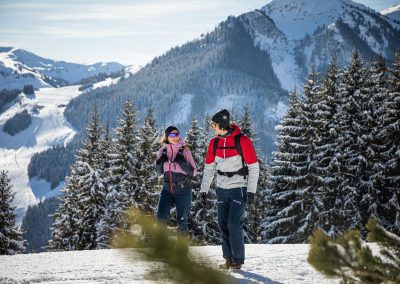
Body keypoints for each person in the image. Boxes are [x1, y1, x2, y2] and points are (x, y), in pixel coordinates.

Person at [199, 109, 259, 270]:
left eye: (214, 124)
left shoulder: (243, 141)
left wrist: (251, 191)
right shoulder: (215, 142)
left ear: (222, 125)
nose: (212, 127)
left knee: (234, 224)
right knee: (222, 223)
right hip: (221, 189)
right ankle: (228, 259)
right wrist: (203, 190)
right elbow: (209, 168)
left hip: (238, 188)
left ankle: (237, 261)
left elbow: (253, 167)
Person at [155, 126, 197, 234]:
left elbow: (194, 172)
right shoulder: (162, 151)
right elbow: (159, 172)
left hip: (183, 190)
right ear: (167, 136)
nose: (175, 137)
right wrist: (159, 162)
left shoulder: (185, 151)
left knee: (182, 221)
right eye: (172, 135)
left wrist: (182, 162)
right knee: (160, 219)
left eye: (177, 134)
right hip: (167, 189)